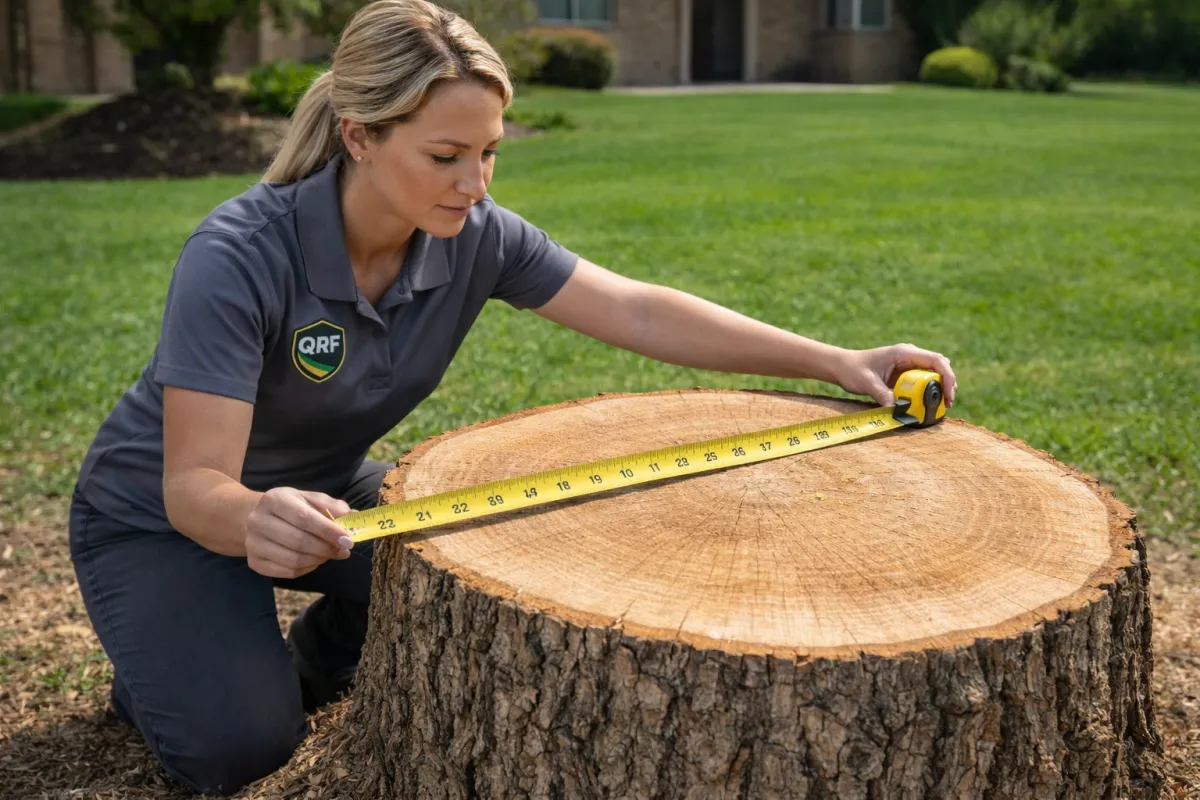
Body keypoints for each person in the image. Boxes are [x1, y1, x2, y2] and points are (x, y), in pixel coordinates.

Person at [67, 0, 958, 795]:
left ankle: (298, 654)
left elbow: (638, 309)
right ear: (359, 136)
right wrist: (256, 519)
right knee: (242, 749)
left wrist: (838, 360)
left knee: (498, 572)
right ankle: (171, 656)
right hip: (162, 516)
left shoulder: (474, 236)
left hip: (331, 500)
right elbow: (193, 486)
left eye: (490, 152)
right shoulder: (238, 256)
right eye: (446, 156)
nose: (476, 184)